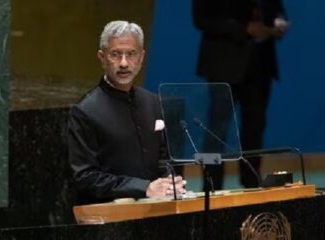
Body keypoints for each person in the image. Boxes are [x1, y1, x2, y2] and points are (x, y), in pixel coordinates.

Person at [68, 20, 186, 204]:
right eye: (115, 54)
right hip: (110, 216)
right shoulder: (85, 111)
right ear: (101, 57)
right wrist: (144, 188)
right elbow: (86, 177)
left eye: (131, 54)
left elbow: (164, 159)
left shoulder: (153, 102)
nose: (124, 63)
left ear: (141, 57)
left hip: (156, 209)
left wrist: (169, 182)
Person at [193, 0, 289, 189]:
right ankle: (210, 185)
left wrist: (278, 21)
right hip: (223, 64)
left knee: (255, 128)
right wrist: (244, 28)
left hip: (260, 66)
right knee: (215, 131)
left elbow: (277, 9)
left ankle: (252, 182)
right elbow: (201, 20)